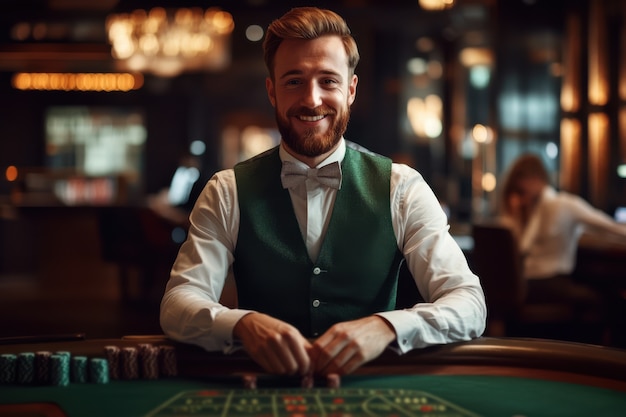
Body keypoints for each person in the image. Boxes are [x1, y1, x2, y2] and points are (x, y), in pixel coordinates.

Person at [160, 6, 486, 377]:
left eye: (328, 81)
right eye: (294, 81)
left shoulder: (402, 187)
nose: (312, 100)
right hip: (266, 391)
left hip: (371, 392)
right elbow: (176, 305)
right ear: (272, 91)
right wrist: (241, 324)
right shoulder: (226, 190)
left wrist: (387, 326)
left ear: (351, 89)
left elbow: (469, 304)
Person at [498, 153, 626, 325]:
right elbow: (611, 227)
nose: (521, 198)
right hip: (548, 283)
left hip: (529, 285)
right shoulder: (547, 208)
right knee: (604, 298)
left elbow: (608, 227)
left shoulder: (557, 206)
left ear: (534, 179)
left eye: (521, 191)